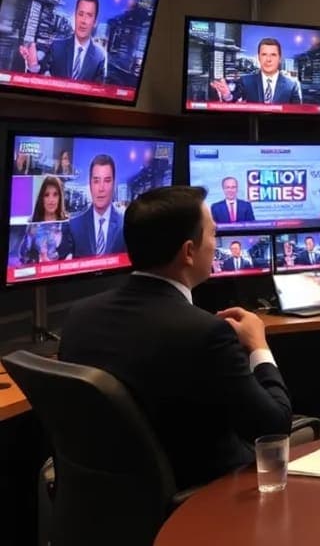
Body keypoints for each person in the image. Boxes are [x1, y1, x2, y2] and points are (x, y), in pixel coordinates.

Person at [58, 186, 292, 489]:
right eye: (212, 234)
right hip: (201, 502)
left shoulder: (79, 316)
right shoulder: (205, 333)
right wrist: (258, 346)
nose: (216, 243)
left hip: (104, 504)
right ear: (189, 252)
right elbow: (274, 427)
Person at [18, 0, 106, 83]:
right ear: (75, 16)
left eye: (89, 15)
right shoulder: (56, 47)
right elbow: (39, 83)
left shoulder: (99, 57)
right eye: (80, 14)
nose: (83, 21)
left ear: (95, 22)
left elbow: (99, 91)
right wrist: (33, 66)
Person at [209, 38, 301, 105]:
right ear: (259, 57)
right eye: (264, 54)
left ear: (279, 58)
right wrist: (227, 95)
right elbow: (232, 100)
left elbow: (298, 114)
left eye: (273, 55)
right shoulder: (246, 81)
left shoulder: (292, 85)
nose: (268, 59)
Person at [68, 154, 125, 258]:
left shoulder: (125, 225)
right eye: (96, 181)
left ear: (114, 184)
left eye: (107, 181)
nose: (101, 188)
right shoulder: (74, 226)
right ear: (90, 184)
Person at [29, 175, 76, 261]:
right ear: (41, 198)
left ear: (60, 197)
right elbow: (26, 256)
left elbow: (73, 252)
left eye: (55, 195)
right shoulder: (32, 224)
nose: (51, 200)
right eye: (47, 195)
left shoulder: (67, 224)